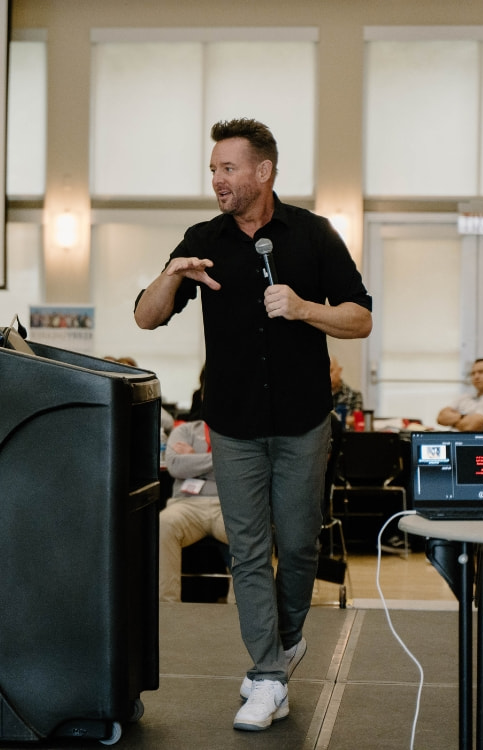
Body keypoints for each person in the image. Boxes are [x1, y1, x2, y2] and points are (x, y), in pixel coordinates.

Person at [134, 117, 372, 731]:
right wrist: (171, 275)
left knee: (297, 546)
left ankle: (284, 643)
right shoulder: (202, 238)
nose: (217, 179)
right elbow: (145, 317)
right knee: (248, 550)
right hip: (233, 426)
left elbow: (360, 319)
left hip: (302, 423)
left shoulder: (315, 236)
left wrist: (303, 308)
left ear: (263, 172)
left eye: (228, 168)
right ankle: (268, 675)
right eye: (214, 169)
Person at [159, 418, 229, 602]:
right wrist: (221, 459)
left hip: (229, 505)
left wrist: (193, 458)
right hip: (186, 504)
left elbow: (246, 467)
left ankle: (243, 611)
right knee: (163, 523)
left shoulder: (242, 431)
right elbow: (174, 466)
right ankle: (167, 607)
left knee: (253, 529)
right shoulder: (185, 430)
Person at [436, 358, 483, 431]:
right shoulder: (465, 397)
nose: (476, 377)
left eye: (481, 372)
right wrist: (463, 418)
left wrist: (453, 420)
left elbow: (471, 426)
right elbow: (440, 418)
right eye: (473, 373)